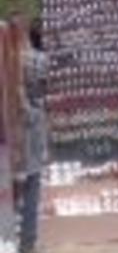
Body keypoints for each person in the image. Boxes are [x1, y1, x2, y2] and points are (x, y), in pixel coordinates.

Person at [11, 16, 48, 253]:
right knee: (33, 181)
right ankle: (28, 239)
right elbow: (47, 90)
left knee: (12, 182)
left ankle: (9, 236)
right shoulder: (39, 60)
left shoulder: (7, 60)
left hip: (11, 126)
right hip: (34, 123)